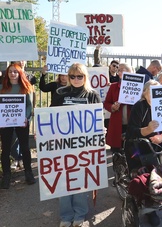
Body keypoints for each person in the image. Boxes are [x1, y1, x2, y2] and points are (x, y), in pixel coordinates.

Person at [54, 63, 102, 227]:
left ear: (85, 77)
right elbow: (50, 117)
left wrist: (100, 130)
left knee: (80, 180)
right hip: (63, 144)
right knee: (64, 180)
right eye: (72, 76)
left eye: (79, 76)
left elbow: (98, 118)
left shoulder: (92, 95)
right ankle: (66, 216)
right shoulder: (61, 93)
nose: (75, 79)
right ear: (68, 77)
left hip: (84, 145)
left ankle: (80, 214)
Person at [125, 80, 162, 227]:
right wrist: (147, 130)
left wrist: (161, 137)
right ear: (145, 92)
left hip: (158, 145)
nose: (154, 94)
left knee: (161, 173)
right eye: (151, 91)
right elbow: (131, 132)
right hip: (137, 145)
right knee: (145, 174)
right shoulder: (139, 107)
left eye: (157, 91)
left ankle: (158, 195)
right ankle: (149, 207)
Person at [0, 63, 36, 189]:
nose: (13, 74)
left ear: (19, 73)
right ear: (7, 74)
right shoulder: (2, 88)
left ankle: (28, 173)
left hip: (22, 122)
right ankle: (6, 176)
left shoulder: (25, 87)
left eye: (15, 71)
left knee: (25, 148)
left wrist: (26, 118)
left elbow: (29, 106)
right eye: (10, 71)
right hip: (5, 123)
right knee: (5, 149)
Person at [104, 63, 134, 153]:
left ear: (131, 72)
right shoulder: (114, 86)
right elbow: (106, 103)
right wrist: (112, 107)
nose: (119, 72)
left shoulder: (139, 87)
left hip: (132, 126)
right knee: (117, 153)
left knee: (131, 153)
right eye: (119, 70)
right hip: (117, 126)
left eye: (123, 70)